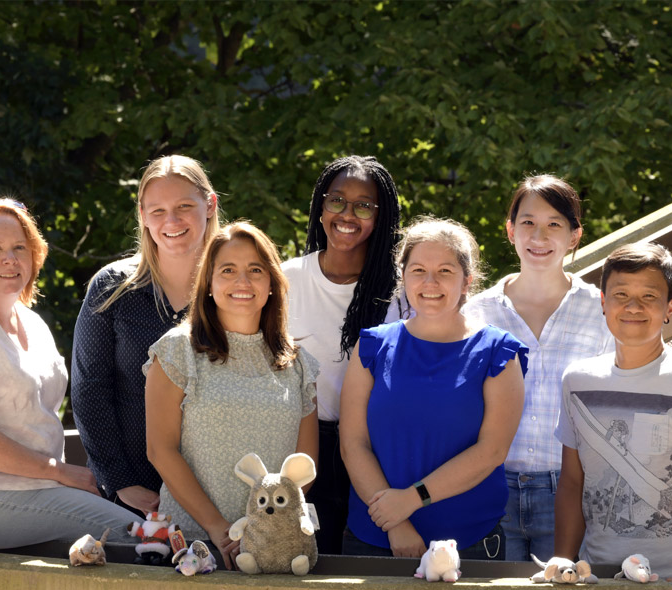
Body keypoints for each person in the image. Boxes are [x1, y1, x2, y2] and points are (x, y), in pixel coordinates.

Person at [0, 199, 140, 550]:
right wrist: (61, 472)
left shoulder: (31, 322)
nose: (10, 258)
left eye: (20, 247)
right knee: (140, 536)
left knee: (146, 522)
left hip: (31, 489)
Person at [554, 242, 672, 590]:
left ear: (670, 307)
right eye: (621, 294)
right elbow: (571, 482)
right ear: (602, 302)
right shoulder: (576, 381)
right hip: (592, 581)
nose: (633, 307)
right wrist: (564, 563)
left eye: (648, 297)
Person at [340, 217, 528, 561]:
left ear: (467, 281)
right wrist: (394, 522)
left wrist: (410, 500)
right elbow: (354, 444)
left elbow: (491, 451)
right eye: (418, 270)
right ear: (403, 277)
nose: (430, 282)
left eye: (445, 271)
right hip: (374, 538)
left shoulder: (499, 354)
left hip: (468, 545)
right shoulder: (371, 347)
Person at [144, 222, 320, 568]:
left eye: (256, 270)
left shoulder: (299, 366)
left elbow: (303, 467)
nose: (243, 282)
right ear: (208, 283)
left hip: (273, 550)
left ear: (271, 283)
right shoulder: (177, 351)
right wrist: (220, 530)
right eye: (228, 270)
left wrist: (265, 532)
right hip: (195, 547)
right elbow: (160, 450)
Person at [466, 174, 613, 563]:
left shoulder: (601, 312)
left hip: (570, 490)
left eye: (554, 225)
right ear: (511, 230)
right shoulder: (476, 314)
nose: (539, 237)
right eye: (528, 223)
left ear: (574, 236)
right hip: (488, 487)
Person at [71, 155, 220, 515]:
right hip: (135, 496)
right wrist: (120, 482)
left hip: (219, 491)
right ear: (142, 214)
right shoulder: (112, 289)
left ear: (210, 204)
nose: (171, 220)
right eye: (158, 210)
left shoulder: (235, 289)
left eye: (185, 206)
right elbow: (89, 389)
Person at [281, 155, 404, 554]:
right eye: (336, 201)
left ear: (381, 217)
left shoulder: (403, 293)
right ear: (320, 207)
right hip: (298, 447)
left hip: (374, 452)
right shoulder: (285, 280)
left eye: (364, 205)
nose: (347, 214)